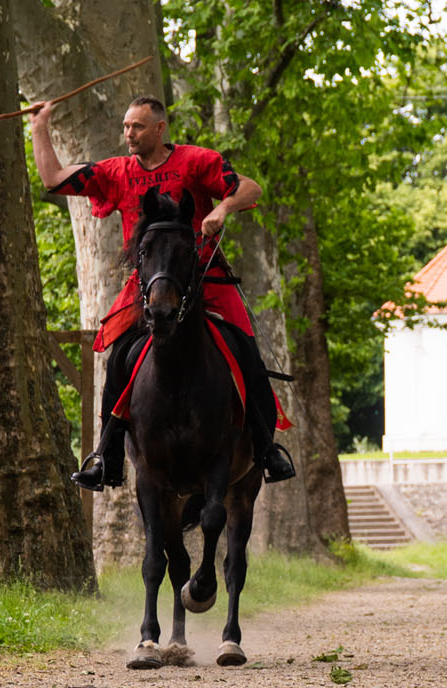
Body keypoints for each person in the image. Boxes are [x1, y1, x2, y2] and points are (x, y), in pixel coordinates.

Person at [30, 95, 296, 491]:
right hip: (147, 286)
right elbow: (53, 179)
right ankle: (107, 456)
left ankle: (265, 447)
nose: (128, 134)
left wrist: (222, 209)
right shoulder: (115, 172)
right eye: (125, 127)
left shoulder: (197, 161)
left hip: (204, 276)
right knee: (118, 354)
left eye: (136, 127)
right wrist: (39, 127)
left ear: (159, 128)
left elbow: (251, 189)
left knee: (246, 348)